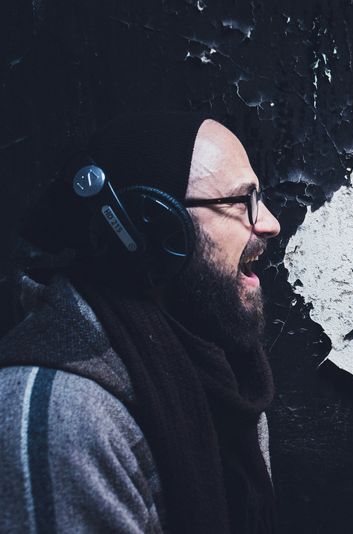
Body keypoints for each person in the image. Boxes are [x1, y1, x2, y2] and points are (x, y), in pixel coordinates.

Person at [0, 112, 281, 533]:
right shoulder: (66, 419)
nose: (270, 223)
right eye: (241, 202)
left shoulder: (224, 377)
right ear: (152, 223)